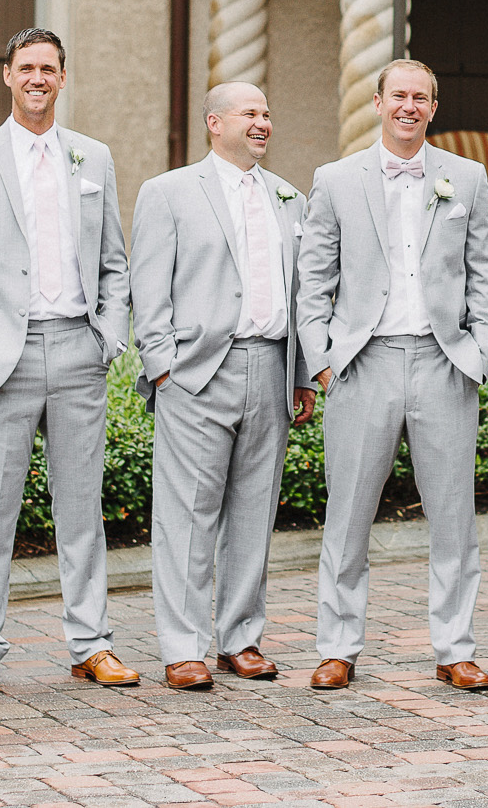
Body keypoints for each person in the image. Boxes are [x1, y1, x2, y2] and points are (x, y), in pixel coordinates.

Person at [0, 29, 138, 692]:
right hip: (2, 356)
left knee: (82, 509)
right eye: (27, 67)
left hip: (77, 348)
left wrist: (107, 334)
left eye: (49, 68)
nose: (38, 77)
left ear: (63, 78)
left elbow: (113, 258)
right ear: (7, 75)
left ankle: (91, 642)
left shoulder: (93, 157)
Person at [298, 59, 488, 691]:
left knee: (453, 518)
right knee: (348, 514)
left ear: (432, 108)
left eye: (421, 97)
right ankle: (338, 646)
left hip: (445, 364)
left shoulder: (465, 178)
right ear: (379, 103)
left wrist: (478, 353)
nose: (409, 106)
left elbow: (486, 273)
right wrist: (324, 362)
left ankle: (455, 647)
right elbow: (313, 280)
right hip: (365, 363)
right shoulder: (334, 179)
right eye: (398, 96)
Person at [131, 82, 316, 690]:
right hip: (197, 370)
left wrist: (302, 373)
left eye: (267, 112)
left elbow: (303, 293)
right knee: (187, 513)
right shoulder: (169, 192)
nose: (263, 122)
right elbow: (148, 286)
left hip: (271, 366)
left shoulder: (289, 197)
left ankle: (241, 637)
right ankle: (183, 645)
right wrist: (162, 365)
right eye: (249, 113)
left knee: (254, 511)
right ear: (215, 121)